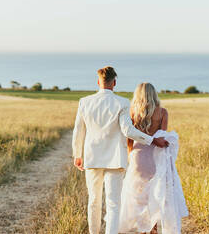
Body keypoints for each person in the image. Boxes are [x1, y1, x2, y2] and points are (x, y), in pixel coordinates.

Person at [72, 67, 170, 234]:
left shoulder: (84, 102)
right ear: (114, 83)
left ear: (98, 82)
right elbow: (128, 131)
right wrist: (152, 139)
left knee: (93, 201)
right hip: (115, 160)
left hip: (92, 158)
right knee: (113, 204)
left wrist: (77, 155)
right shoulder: (122, 102)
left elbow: (78, 130)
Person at [119, 83, 188, 234]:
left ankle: (143, 230)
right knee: (155, 195)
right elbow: (161, 137)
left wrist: (131, 154)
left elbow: (129, 138)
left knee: (139, 197)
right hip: (155, 157)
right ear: (154, 94)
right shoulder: (162, 112)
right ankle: (153, 230)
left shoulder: (131, 112)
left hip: (138, 156)